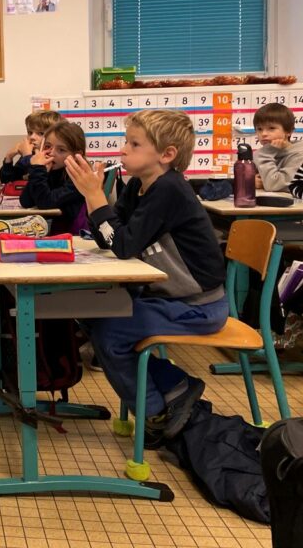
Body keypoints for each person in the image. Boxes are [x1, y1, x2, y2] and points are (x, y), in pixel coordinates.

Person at [65, 110, 227, 448]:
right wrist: (94, 199)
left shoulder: (170, 190)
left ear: (166, 154)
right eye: (126, 141)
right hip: (168, 298)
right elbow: (109, 238)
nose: (123, 149)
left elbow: (123, 246)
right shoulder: (139, 186)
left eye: (134, 144)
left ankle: (155, 412)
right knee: (92, 313)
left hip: (198, 306)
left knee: (110, 333)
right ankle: (175, 386)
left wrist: (95, 197)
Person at [20, 121, 89, 235]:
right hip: (54, 233)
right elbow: (26, 201)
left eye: (61, 150)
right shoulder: (52, 170)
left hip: (74, 236)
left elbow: (46, 203)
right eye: (48, 147)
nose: (51, 153)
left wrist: (38, 170)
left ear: (77, 155)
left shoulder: (78, 178)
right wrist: (40, 171)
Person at [0, 109, 62, 183]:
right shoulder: (31, 153)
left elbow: (40, 186)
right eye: (30, 132)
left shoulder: (55, 158)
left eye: (41, 133)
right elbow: (8, 182)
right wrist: (8, 158)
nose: (32, 137)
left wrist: (28, 157)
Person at [253, 102, 303, 192]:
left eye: (271, 128)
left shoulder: (299, 155)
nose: (263, 134)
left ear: (289, 131)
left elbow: (273, 185)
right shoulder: (262, 153)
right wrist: (251, 180)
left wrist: (265, 183)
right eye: (259, 129)